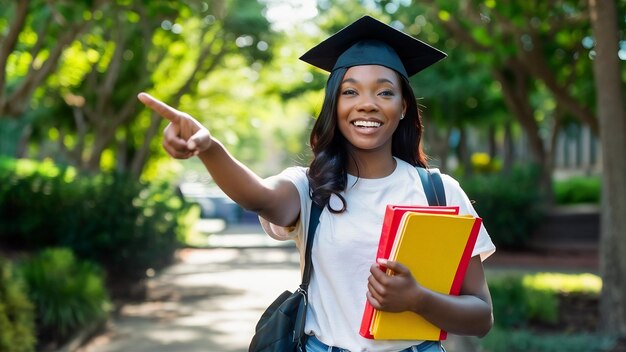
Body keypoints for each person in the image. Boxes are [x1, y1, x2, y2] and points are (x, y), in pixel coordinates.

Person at [138, 15, 495, 352]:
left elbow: (481, 316)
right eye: (350, 92)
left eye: (385, 92)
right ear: (333, 105)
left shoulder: (439, 192)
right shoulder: (312, 189)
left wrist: (419, 299)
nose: (367, 104)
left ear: (403, 107)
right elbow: (258, 197)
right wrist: (209, 147)